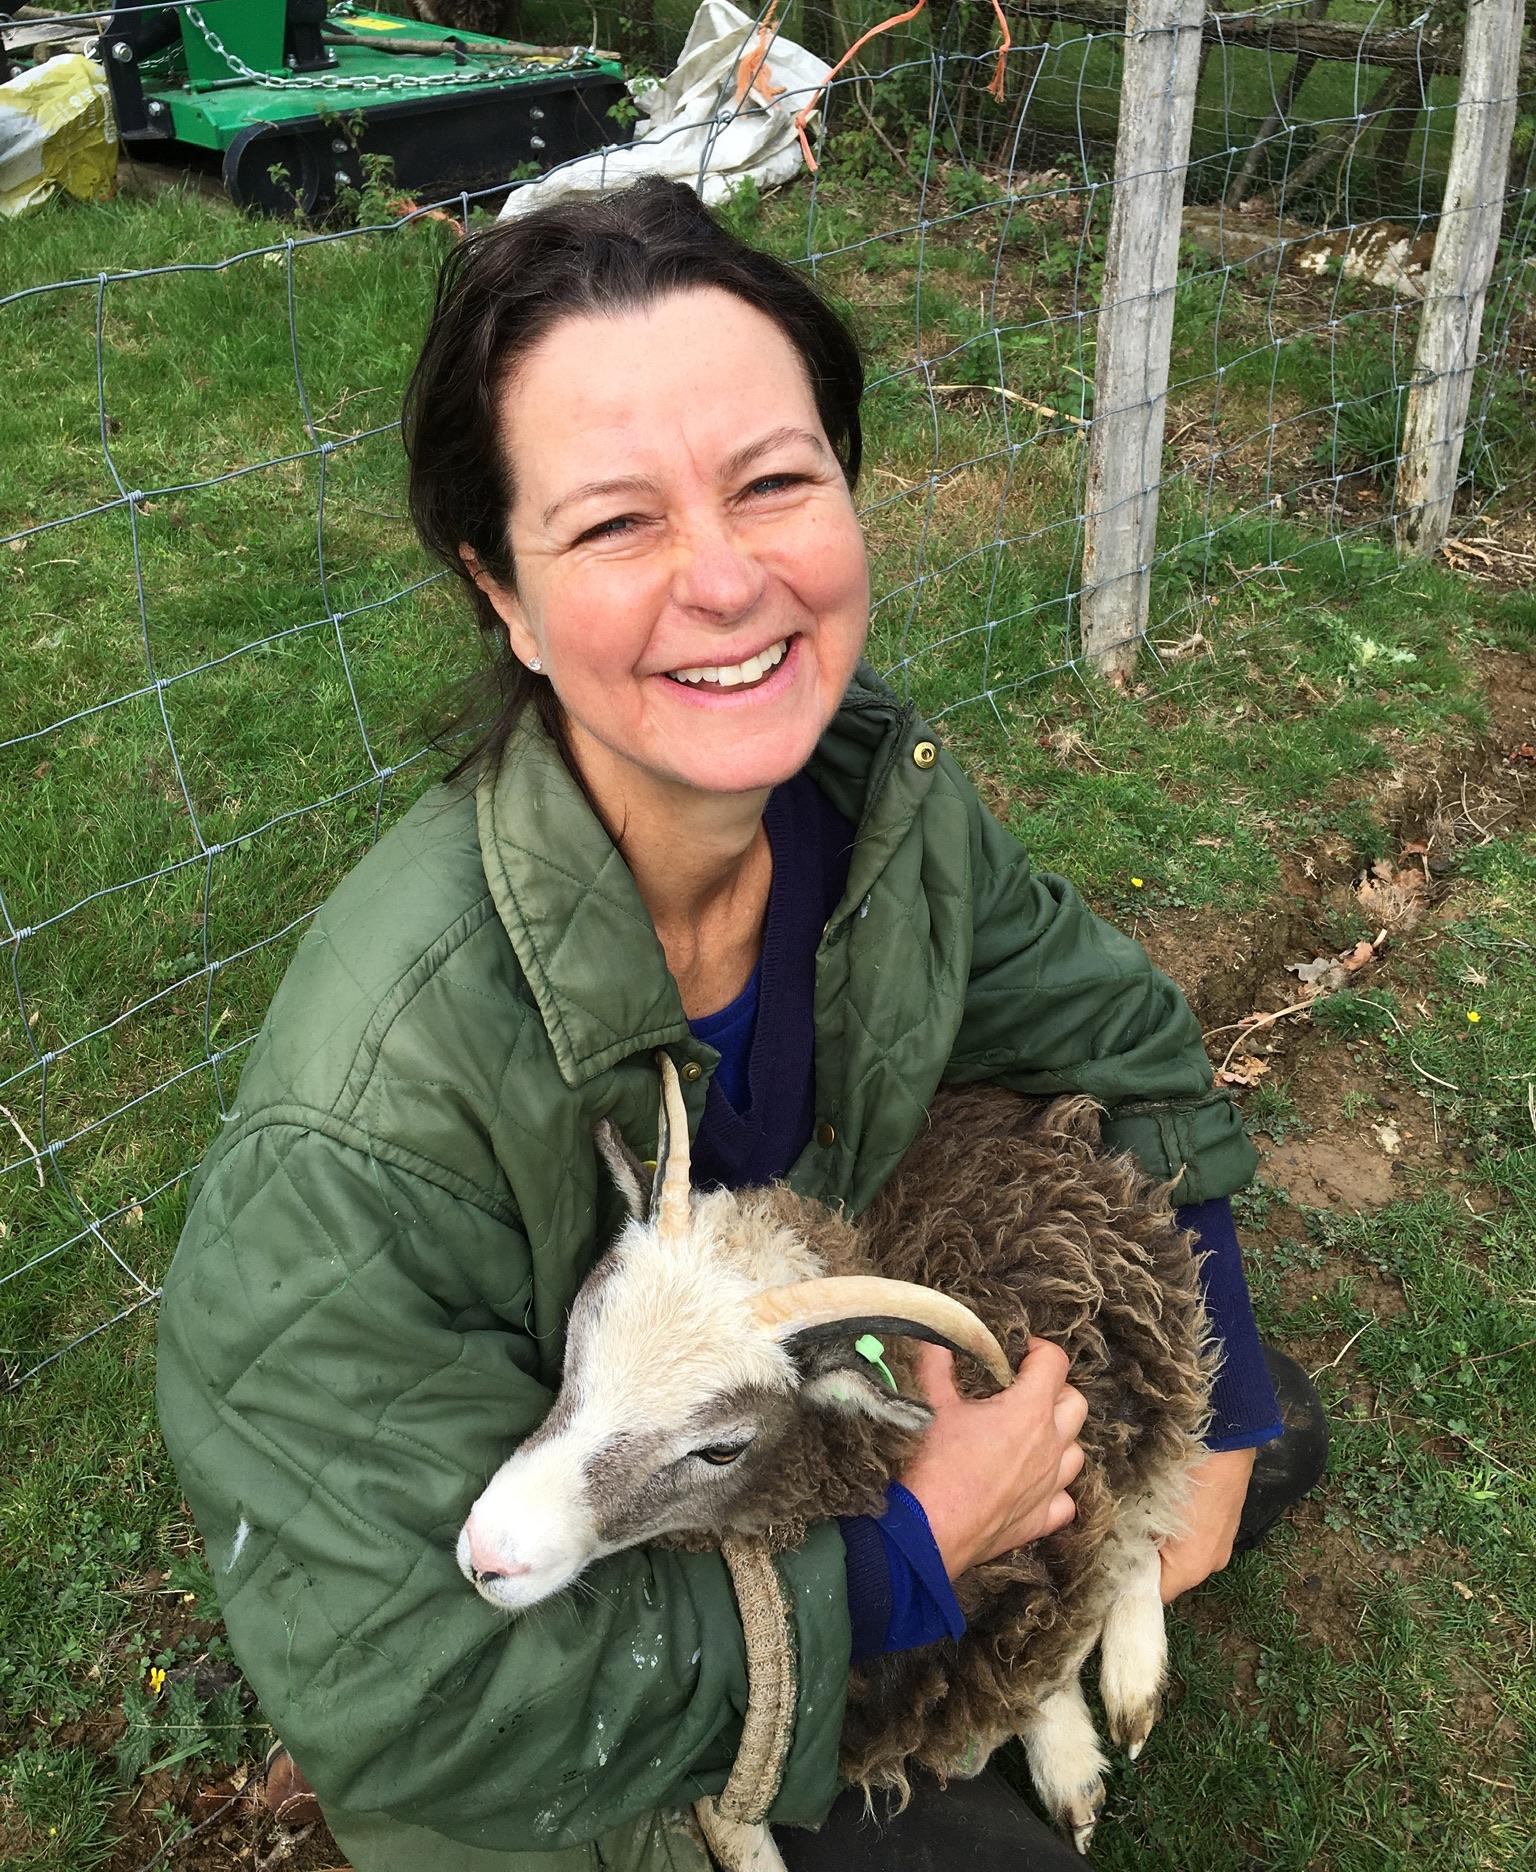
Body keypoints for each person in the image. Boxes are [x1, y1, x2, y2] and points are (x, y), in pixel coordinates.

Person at [156, 178, 1326, 1872]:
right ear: (504, 593)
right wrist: (919, 1545)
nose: (724, 580)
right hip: (596, 1719)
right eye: (614, 524)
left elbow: (1121, 1041)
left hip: (805, 1444)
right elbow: (416, 1701)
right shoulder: (366, 1122)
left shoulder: (875, 805)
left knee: (1270, 1431)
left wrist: (1216, 1435)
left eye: (775, 482)